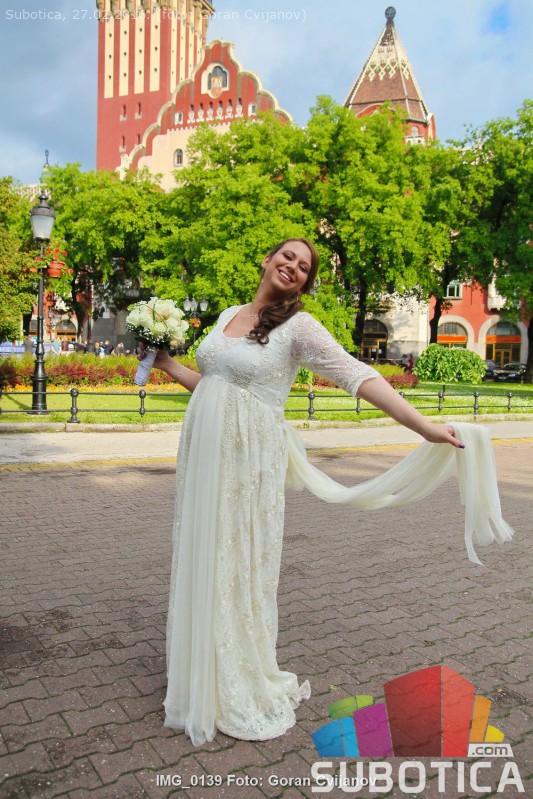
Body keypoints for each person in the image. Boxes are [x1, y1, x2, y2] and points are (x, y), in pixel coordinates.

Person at [138, 239, 503, 746]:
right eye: (286, 257)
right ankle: (202, 669)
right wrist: (167, 365)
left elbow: (359, 375)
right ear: (266, 260)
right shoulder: (227, 315)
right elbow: (215, 384)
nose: (292, 266)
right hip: (204, 456)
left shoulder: (300, 328)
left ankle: (236, 677)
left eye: (304, 266)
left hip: (249, 461)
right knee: (205, 553)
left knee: (236, 559)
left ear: (305, 282)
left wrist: (423, 426)